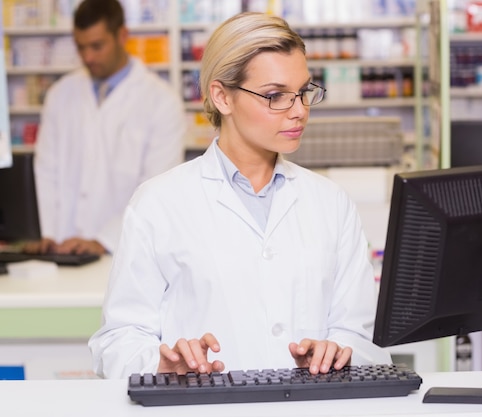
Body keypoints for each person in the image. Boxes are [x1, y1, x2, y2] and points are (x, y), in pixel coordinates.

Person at [89, 11, 391, 379]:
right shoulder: (158, 203)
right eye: (275, 96)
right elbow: (119, 339)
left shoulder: (331, 203)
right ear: (222, 97)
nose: (299, 111)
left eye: (304, 92)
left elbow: (361, 335)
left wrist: (337, 352)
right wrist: (160, 363)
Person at [26, 0, 187, 256]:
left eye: (97, 46)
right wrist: (51, 236)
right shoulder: (60, 94)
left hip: (126, 251)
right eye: (80, 47)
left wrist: (104, 241)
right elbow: (47, 170)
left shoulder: (162, 101)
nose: (88, 57)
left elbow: (156, 188)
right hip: (63, 249)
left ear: (122, 35)